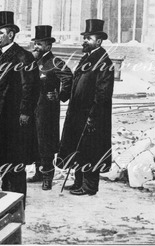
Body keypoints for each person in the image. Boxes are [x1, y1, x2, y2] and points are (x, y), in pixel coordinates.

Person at [0, 11, 39, 205]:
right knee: (4, 157)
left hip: (13, 119)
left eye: (0, 33)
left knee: (15, 159)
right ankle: (7, 195)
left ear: (11, 35)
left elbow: (30, 87)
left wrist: (25, 112)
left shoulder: (23, 56)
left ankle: (17, 199)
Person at [58, 19, 114, 196]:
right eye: (85, 37)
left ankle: (89, 187)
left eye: (88, 38)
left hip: (92, 115)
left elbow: (103, 94)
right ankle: (78, 183)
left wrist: (93, 116)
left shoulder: (104, 62)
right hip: (78, 113)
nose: (85, 41)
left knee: (91, 149)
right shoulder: (87, 58)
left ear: (98, 41)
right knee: (78, 147)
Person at [27, 25, 73, 190]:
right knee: (35, 141)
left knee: (45, 143)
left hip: (46, 111)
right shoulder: (33, 61)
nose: (36, 46)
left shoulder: (54, 62)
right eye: (36, 43)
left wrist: (59, 96)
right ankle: (39, 173)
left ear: (48, 46)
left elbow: (68, 77)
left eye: (40, 44)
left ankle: (48, 177)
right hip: (33, 109)